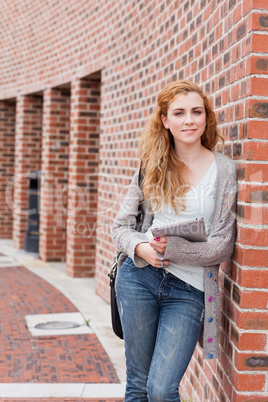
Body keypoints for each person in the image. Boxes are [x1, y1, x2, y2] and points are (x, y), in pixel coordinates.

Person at [112, 80, 237, 401]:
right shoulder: (151, 166)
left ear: (206, 118)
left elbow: (221, 246)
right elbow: (120, 227)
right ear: (165, 120)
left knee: (162, 388)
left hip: (189, 289)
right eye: (179, 113)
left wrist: (173, 249)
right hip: (139, 278)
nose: (189, 120)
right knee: (138, 385)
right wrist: (141, 247)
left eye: (196, 112)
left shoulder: (224, 170)